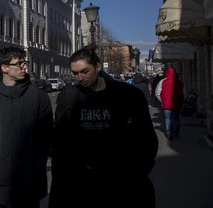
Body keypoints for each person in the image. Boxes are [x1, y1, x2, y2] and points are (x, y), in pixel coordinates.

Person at [49, 46, 158, 208]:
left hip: (120, 184)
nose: (80, 78)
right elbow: (60, 144)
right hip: (80, 185)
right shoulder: (69, 97)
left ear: (98, 67)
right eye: (75, 73)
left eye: (84, 71)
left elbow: (147, 140)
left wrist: (135, 173)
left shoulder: (128, 95)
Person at [0, 46, 53, 208]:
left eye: (26, 62)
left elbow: (46, 134)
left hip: (30, 176)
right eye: (20, 63)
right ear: (5, 68)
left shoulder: (38, 96)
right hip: (0, 178)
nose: (25, 66)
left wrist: (38, 162)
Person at [159, 67, 184, 140]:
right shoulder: (180, 83)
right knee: (176, 119)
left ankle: (169, 132)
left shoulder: (164, 82)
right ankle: (176, 132)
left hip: (167, 105)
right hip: (177, 104)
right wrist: (181, 102)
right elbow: (181, 94)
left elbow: (162, 93)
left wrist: (162, 102)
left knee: (168, 119)